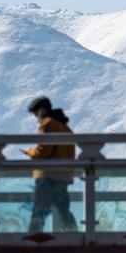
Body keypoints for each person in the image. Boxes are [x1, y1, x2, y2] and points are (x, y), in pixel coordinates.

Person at [24, 96, 78, 233]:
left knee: (39, 212)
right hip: (64, 177)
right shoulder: (65, 126)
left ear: (41, 110)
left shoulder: (48, 124)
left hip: (48, 177)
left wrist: (30, 152)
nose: (36, 117)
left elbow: (43, 151)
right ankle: (75, 237)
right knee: (63, 212)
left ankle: (33, 240)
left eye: (35, 113)